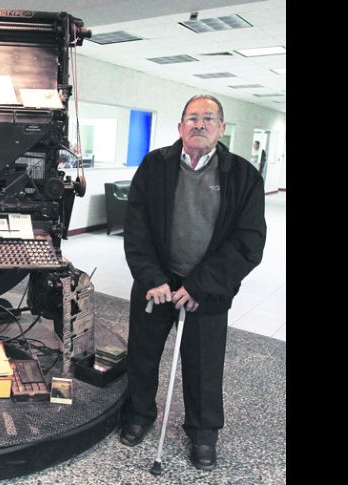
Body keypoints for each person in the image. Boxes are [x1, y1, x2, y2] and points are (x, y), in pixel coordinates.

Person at [119, 94, 266, 470]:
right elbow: (136, 226)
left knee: (204, 364)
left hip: (207, 289)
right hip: (157, 284)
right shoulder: (155, 165)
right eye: (193, 117)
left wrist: (201, 285)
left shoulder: (243, 176)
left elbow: (248, 241)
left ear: (221, 128)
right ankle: (138, 412)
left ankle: (203, 432)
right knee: (142, 353)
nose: (200, 124)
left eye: (209, 118)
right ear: (180, 126)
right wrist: (152, 277)